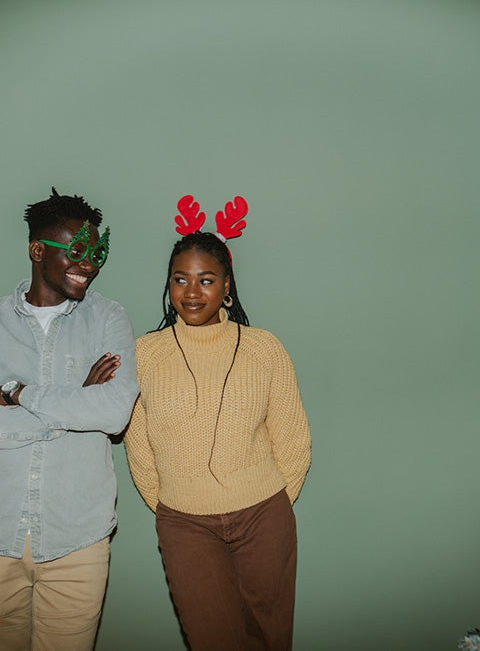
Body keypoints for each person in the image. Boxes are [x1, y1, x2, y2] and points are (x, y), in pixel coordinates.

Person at [0, 188, 138, 651]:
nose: (89, 265)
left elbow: (113, 411)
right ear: (37, 250)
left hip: (77, 543)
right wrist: (70, 406)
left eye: (96, 254)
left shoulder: (108, 319)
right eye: (76, 252)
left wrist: (16, 393)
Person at [124, 195, 311, 651]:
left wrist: (271, 505)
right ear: (169, 285)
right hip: (185, 524)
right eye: (180, 280)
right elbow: (138, 445)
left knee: (270, 639)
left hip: (264, 516)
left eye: (206, 280)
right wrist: (173, 505)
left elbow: (293, 438)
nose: (192, 293)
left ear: (226, 286)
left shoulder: (263, 347)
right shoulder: (145, 353)